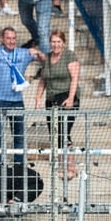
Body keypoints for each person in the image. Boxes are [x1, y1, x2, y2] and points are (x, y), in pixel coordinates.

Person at [0, 26, 45, 166]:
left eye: (13, 38)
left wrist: (38, 52)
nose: (11, 41)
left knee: (19, 135)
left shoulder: (23, 53)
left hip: (17, 101)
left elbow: (44, 60)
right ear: (2, 39)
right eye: (8, 38)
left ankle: (19, 164)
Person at [33, 31, 81, 179]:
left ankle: (71, 166)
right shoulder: (47, 58)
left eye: (58, 42)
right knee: (55, 134)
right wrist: (38, 97)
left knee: (64, 132)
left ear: (63, 43)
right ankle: (62, 165)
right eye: (53, 42)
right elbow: (43, 79)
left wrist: (71, 98)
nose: (55, 45)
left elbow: (75, 78)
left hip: (66, 96)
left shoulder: (69, 56)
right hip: (51, 99)